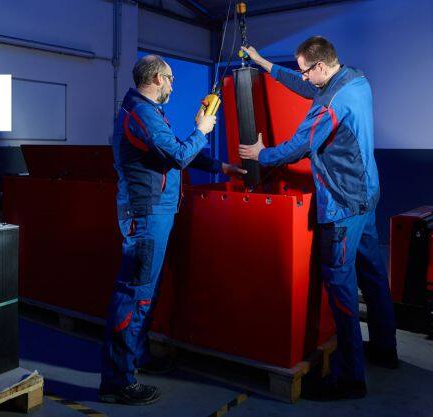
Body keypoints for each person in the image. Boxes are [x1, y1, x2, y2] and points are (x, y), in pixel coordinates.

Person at [239, 37, 398, 401]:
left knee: (341, 289)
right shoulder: (355, 79)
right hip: (366, 194)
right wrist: (263, 63)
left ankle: (350, 378)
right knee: (373, 275)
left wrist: (262, 155)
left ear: (321, 67)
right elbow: (306, 86)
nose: (303, 77)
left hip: (342, 204)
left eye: (305, 71)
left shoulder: (329, 105)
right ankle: (385, 349)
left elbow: (300, 144)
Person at [100, 54, 246, 405]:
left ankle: (138, 357)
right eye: (170, 79)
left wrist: (221, 166)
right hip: (146, 214)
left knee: (147, 293)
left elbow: (171, 150)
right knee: (134, 295)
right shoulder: (141, 113)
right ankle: (118, 382)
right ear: (156, 78)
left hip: (156, 213)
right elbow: (179, 155)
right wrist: (202, 130)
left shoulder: (147, 111)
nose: (173, 85)